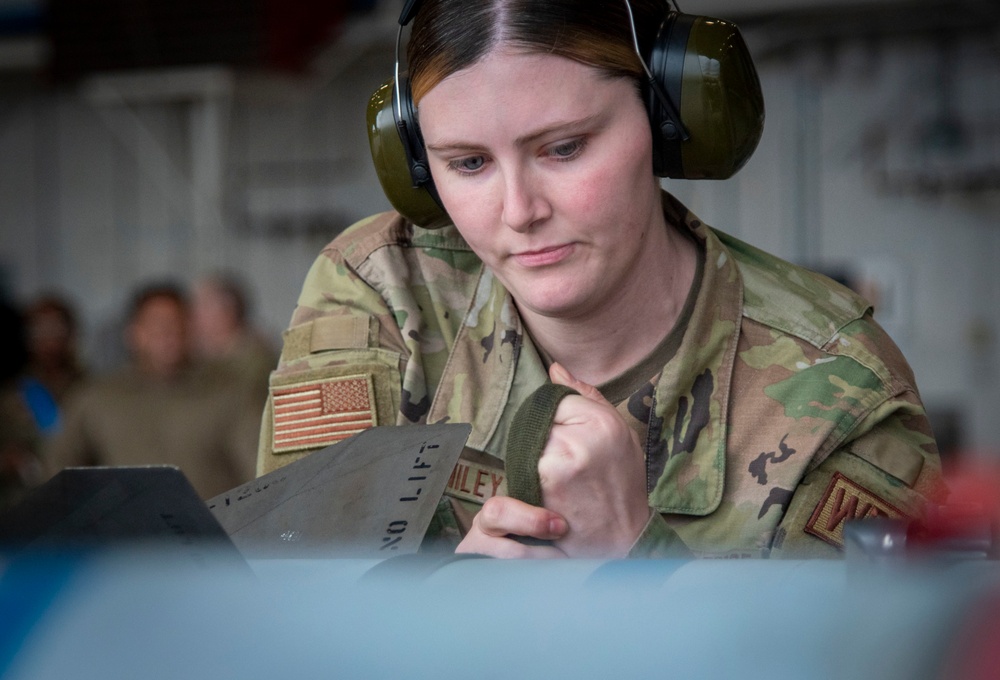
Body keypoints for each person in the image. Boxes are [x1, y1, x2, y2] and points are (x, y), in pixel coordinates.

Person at [256, 0, 943, 558]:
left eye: (563, 148)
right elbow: (298, 619)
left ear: (669, 120)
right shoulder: (387, 292)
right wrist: (451, 612)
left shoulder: (837, 394)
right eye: (468, 164)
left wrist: (635, 560)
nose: (519, 212)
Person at [46, 282, 260, 499]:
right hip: (127, 529)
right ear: (132, 332)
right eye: (155, 323)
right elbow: (58, 470)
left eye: (176, 321)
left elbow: (257, 469)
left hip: (213, 528)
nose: (167, 332)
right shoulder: (98, 397)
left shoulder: (230, 391)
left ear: (191, 328)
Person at [190, 272, 277, 411]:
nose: (192, 316)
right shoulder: (207, 358)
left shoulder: (254, 362)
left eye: (201, 306)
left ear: (227, 312)